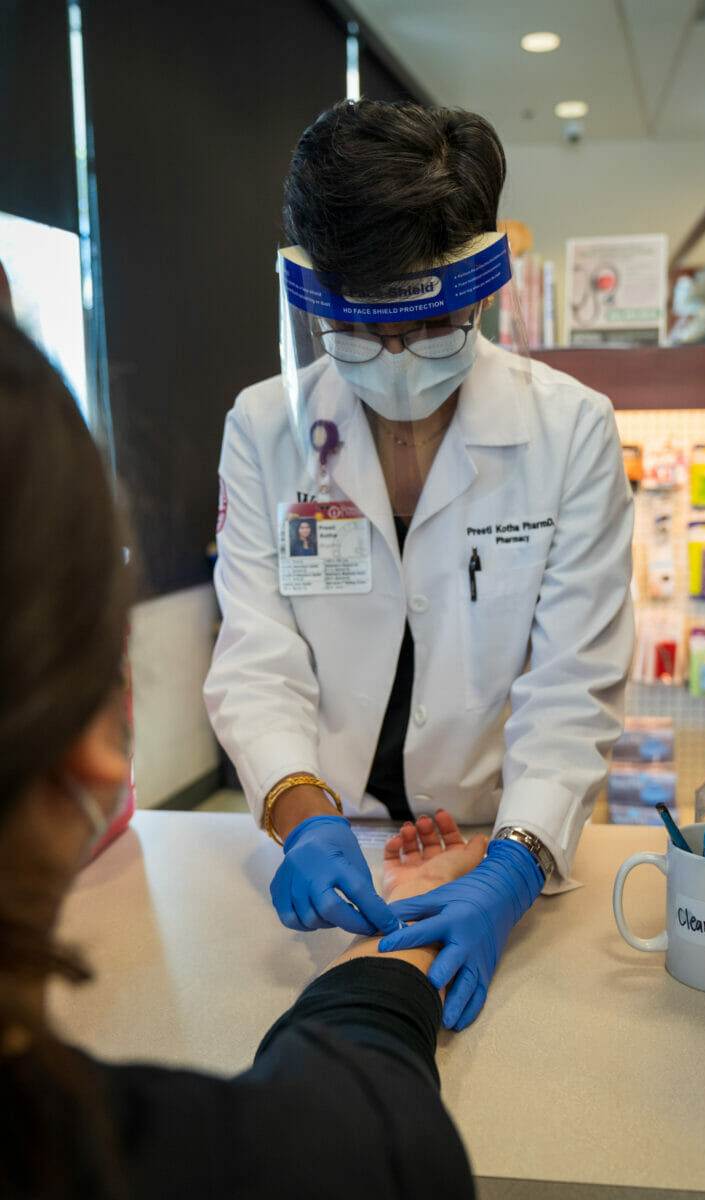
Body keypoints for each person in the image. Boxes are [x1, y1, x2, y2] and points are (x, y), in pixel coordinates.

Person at [0, 312, 482, 1199]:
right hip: (408, 871)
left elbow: (577, 683)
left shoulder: (564, 424)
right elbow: (364, 1128)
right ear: (98, 750)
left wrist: (526, 849)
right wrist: (381, 942)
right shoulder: (300, 1160)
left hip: (489, 808)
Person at [204, 99, 634, 1030]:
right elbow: (257, 655)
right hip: (333, 827)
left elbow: (573, 685)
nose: (397, 362)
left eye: (430, 328)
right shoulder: (266, 428)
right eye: (363, 332)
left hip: (496, 833)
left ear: (479, 291)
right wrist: (301, 813)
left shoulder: (571, 432)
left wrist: (513, 868)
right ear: (316, 296)